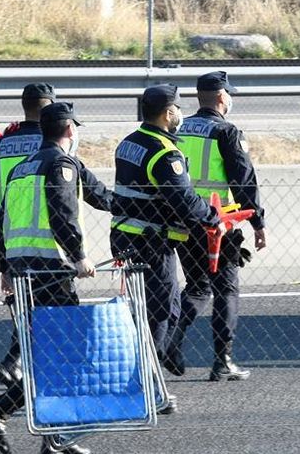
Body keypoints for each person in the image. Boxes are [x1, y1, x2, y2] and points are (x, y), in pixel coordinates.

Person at [0, 102, 113, 454]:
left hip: (23, 269)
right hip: (50, 269)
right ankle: (6, 414)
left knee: (49, 355)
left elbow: (1, 220)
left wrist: (5, 267)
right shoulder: (61, 165)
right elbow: (62, 213)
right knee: (67, 352)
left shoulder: (23, 167)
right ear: (69, 130)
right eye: (76, 128)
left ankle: (45, 434)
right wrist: (79, 257)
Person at [109, 84, 222, 388]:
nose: (181, 115)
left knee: (145, 311)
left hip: (126, 236)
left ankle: (144, 378)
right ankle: (149, 384)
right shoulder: (164, 152)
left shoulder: (128, 143)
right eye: (179, 109)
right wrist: (214, 218)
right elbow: (183, 199)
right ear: (168, 112)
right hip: (150, 241)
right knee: (163, 311)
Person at [168, 71, 266, 381]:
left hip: (183, 221)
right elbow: (244, 181)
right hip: (218, 226)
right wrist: (257, 222)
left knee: (197, 286)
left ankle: (171, 337)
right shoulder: (227, 132)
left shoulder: (180, 129)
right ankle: (222, 360)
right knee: (226, 289)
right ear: (222, 97)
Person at [0, 83, 55, 389]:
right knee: (48, 307)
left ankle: (17, 364)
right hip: (45, 232)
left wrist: (2, 262)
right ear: (48, 107)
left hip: (10, 231)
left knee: (26, 303)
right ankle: (16, 363)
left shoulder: (2, 144)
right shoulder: (49, 141)